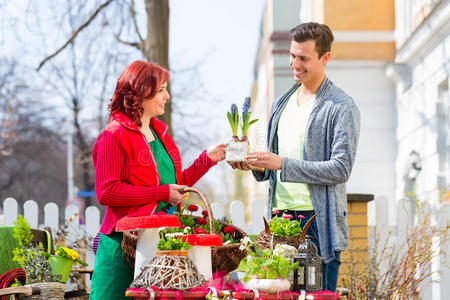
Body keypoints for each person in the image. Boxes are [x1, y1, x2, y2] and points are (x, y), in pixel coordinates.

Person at [232, 22, 360, 291]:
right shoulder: (282, 102)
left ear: (325, 58)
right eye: (292, 55)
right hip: (279, 220)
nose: (295, 64)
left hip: (316, 223)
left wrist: (282, 163)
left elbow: (340, 168)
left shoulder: (340, 106)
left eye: (303, 58)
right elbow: (275, 166)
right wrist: (256, 165)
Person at [89, 61, 226, 299]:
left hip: (157, 247)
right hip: (121, 248)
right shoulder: (113, 135)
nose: (167, 96)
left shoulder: (159, 134)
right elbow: (107, 192)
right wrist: (160, 193)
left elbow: (175, 184)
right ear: (141, 92)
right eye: (161, 90)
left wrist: (207, 159)